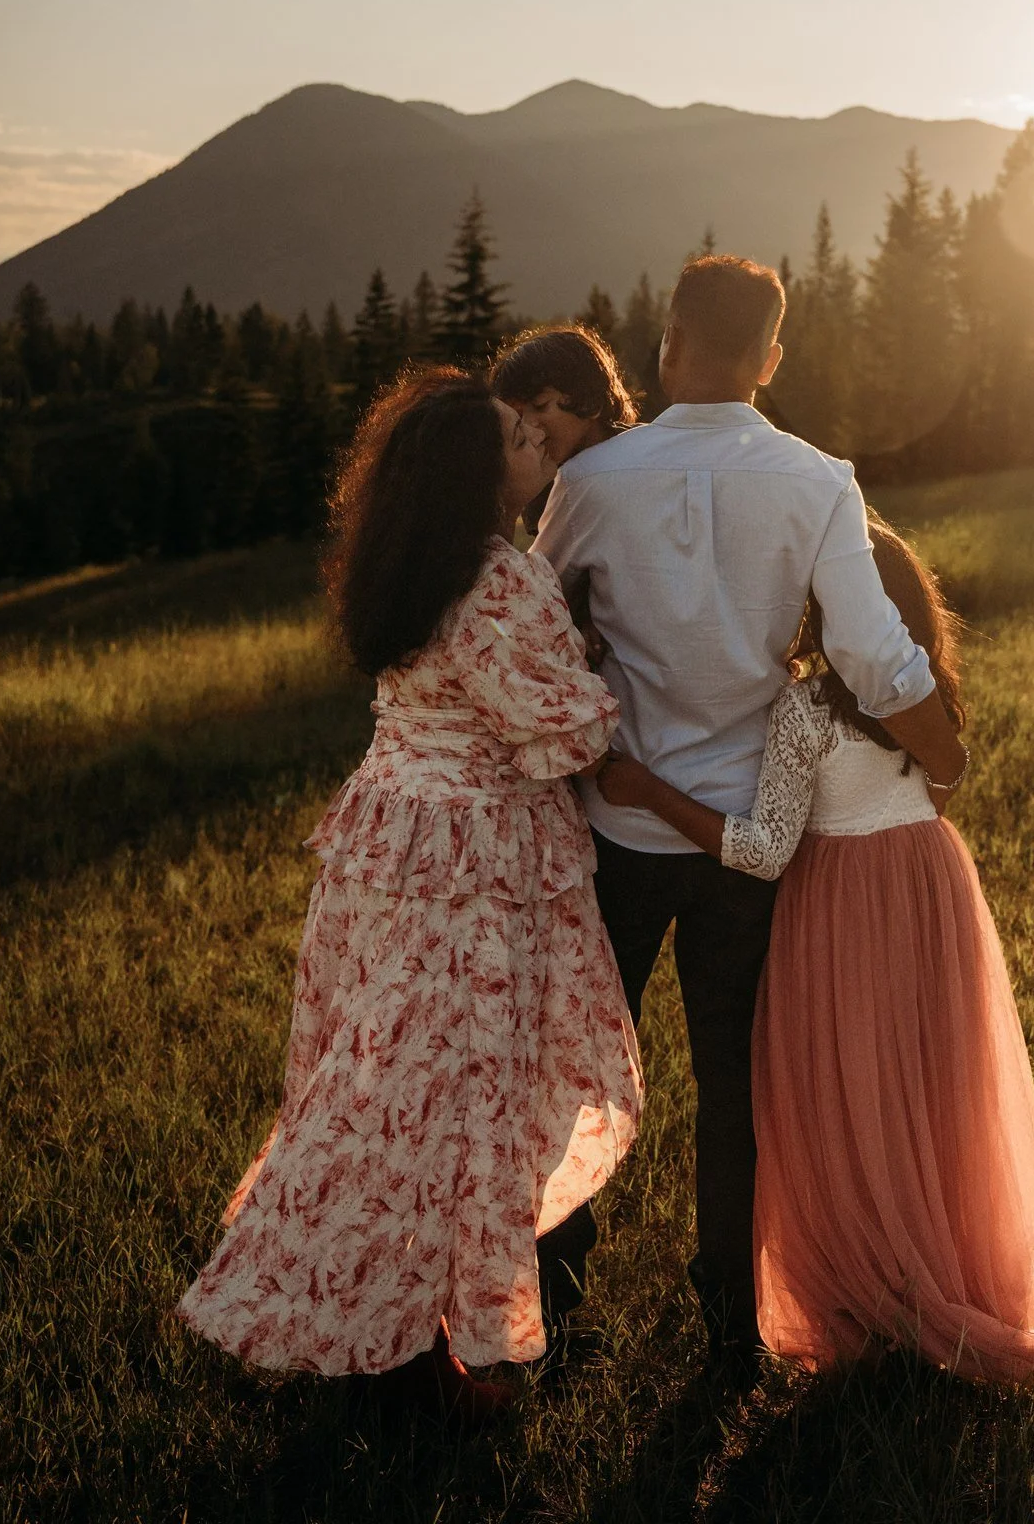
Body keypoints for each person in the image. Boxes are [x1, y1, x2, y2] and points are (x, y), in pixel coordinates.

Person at [532, 255, 967, 1380]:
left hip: (615, 826)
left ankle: (550, 1304)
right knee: (739, 1085)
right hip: (749, 835)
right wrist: (943, 752)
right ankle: (730, 1321)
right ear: (770, 360)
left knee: (575, 1069)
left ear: (668, 344)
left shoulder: (590, 481)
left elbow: (533, 626)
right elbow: (869, 651)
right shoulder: (819, 480)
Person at [178, 369, 642, 1421]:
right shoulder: (503, 580)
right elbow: (565, 730)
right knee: (469, 1097)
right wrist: (598, 670)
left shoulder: (403, 566)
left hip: (387, 842)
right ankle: (428, 1346)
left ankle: (384, 1324)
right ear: (477, 476)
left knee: (380, 1086)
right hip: (474, 861)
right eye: (519, 435)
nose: (539, 441)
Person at [597, 521, 1034, 1383]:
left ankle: (878, 1275)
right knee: (931, 1085)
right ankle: (942, 1262)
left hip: (843, 906)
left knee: (852, 1090)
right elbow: (943, 783)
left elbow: (765, 849)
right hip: (926, 888)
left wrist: (647, 789)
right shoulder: (924, 693)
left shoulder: (805, 709)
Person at [491, 323, 638, 534]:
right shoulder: (542, 484)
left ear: (589, 401)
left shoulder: (644, 455)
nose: (529, 425)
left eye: (540, 406)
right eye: (519, 417)